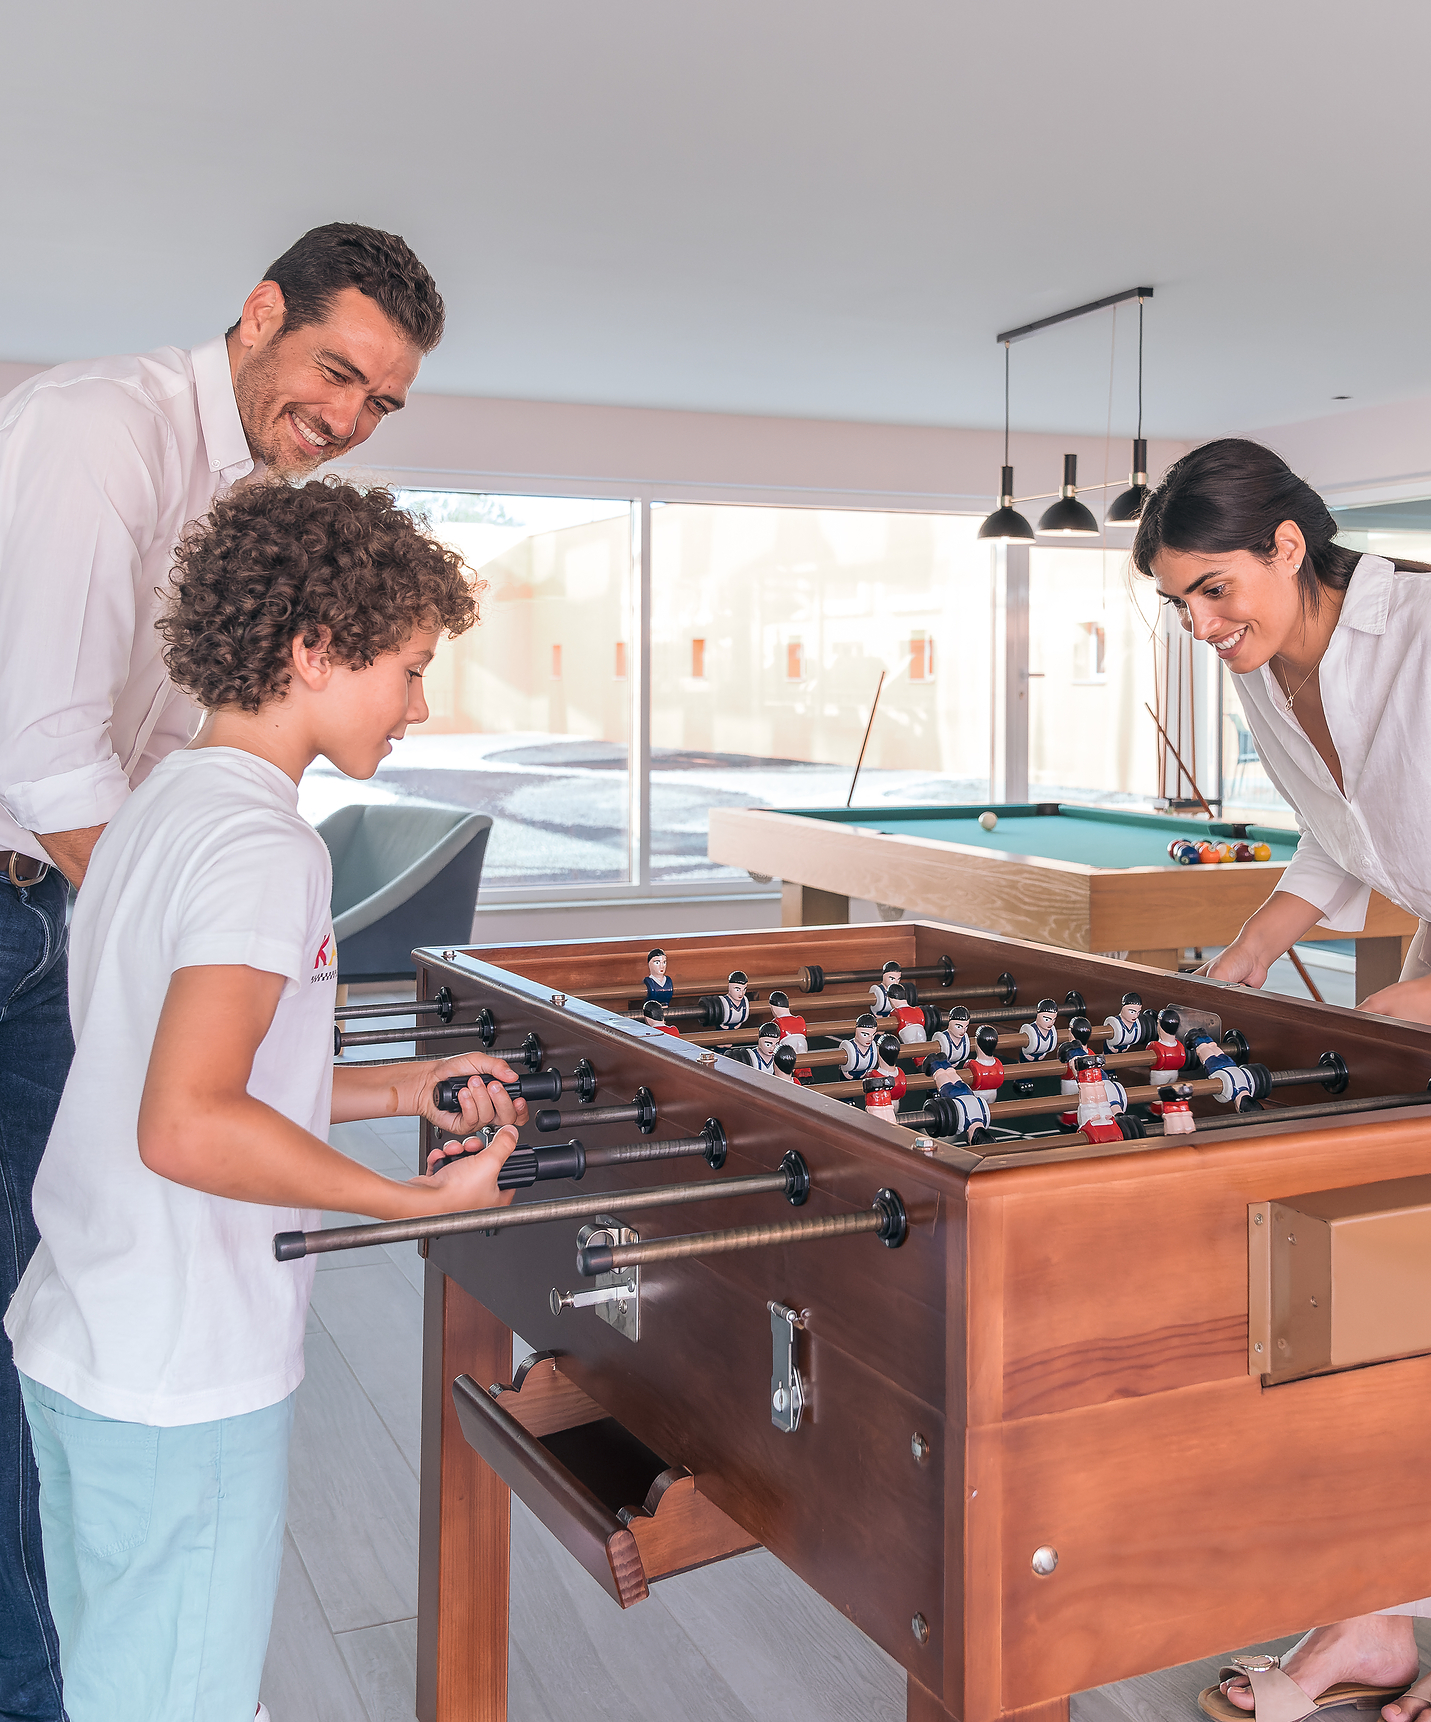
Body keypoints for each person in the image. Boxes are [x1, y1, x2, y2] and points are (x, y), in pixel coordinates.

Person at [0, 220, 443, 1720]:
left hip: (89, 1331)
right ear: (260, 315)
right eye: (338, 371)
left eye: (383, 403)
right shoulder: (95, 430)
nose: (351, 416)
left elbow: (173, 1072)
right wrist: (402, 1198)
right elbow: (188, 1118)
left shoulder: (182, 811)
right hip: (177, 1377)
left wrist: (385, 1080)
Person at [1134, 436, 1431, 1722]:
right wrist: (1237, 967)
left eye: (1213, 589)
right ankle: (1376, 1611)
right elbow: (1336, 836)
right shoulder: (1267, 666)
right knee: (1375, 1283)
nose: (1201, 623)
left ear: (1288, 548)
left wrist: (1388, 1019)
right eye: (1177, 603)